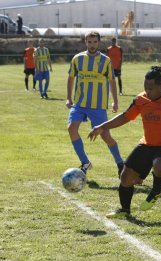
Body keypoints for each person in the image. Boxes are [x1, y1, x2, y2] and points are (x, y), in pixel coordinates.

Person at [88, 66, 161, 219]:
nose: (148, 91)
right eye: (145, 88)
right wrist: (101, 127)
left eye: (151, 88)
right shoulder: (141, 99)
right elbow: (125, 116)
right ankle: (125, 210)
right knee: (125, 177)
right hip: (147, 144)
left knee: (160, 166)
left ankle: (155, 191)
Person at [66, 31, 124, 176]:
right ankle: (85, 162)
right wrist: (68, 98)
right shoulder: (77, 59)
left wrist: (115, 101)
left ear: (99, 43)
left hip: (98, 106)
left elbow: (112, 80)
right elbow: (71, 78)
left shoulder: (106, 61)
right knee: (72, 128)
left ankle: (120, 163)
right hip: (79, 103)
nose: (92, 45)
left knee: (105, 136)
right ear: (86, 42)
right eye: (89, 42)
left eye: (95, 42)